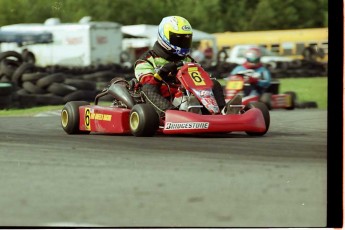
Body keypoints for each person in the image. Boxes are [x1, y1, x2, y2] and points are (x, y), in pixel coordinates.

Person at [134, 16, 240, 115]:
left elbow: (199, 77)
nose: (182, 43)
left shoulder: (186, 59)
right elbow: (147, 83)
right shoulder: (146, 59)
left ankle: (221, 112)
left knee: (213, 83)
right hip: (162, 98)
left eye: (186, 39)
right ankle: (171, 114)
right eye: (179, 39)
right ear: (165, 37)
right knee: (147, 89)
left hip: (184, 94)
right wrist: (162, 73)